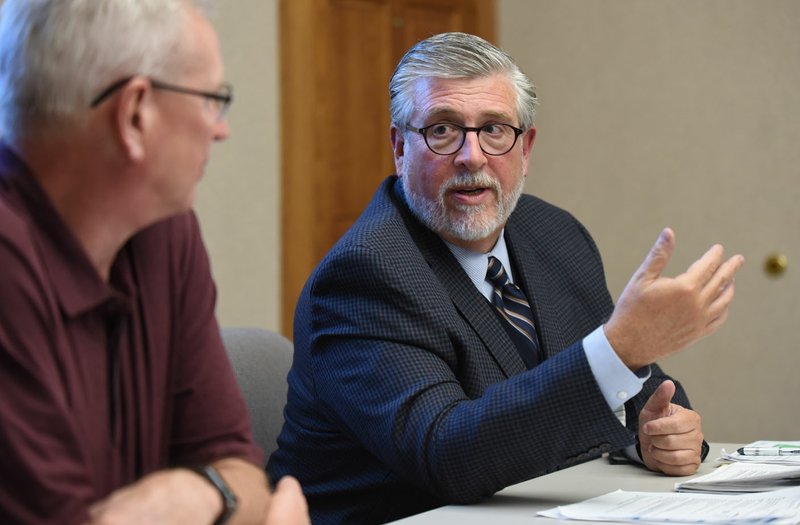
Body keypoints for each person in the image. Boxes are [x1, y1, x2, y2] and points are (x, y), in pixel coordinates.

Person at [267, 32, 745, 524]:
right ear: (399, 147)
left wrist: (653, 436)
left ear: (526, 148)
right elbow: (448, 454)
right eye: (443, 130)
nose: (472, 156)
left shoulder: (554, 234)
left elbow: (625, 390)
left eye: (494, 129)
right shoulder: (363, 276)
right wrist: (620, 349)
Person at [0, 1, 308, 524]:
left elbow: (240, 472)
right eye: (212, 100)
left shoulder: (163, 229)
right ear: (135, 114)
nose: (220, 130)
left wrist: (196, 496)